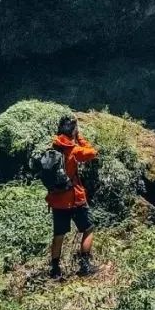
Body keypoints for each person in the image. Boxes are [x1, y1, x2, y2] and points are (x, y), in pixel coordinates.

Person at [47, 114, 98, 278]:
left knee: (58, 234)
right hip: (74, 199)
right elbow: (92, 152)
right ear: (73, 131)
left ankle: (55, 270)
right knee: (88, 229)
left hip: (56, 200)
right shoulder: (74, 150)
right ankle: (85, 266)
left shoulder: (54, 147)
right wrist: (80, 138)